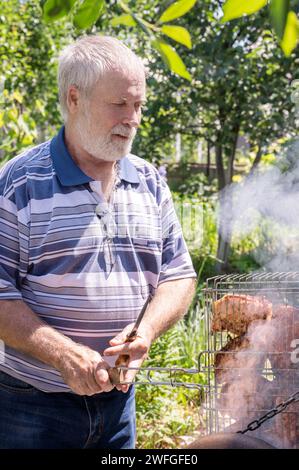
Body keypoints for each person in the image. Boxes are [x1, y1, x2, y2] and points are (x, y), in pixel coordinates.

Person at [0, 35, 197, 449]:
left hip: (119, 407)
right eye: (120, 105)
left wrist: (146, 331)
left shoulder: (149, 182)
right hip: (33, 409)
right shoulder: (20, 183)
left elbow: (179, 275)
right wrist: (62, 354)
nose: (134, 118)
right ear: (75, 98)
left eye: (139, 105)